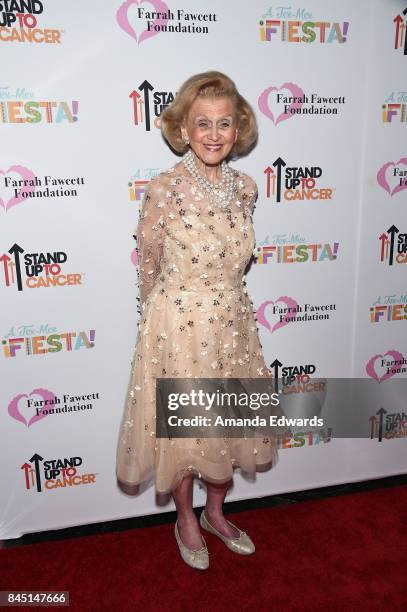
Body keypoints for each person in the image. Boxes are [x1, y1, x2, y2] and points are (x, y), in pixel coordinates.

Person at [116, 70, 279, 570]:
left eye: (223, 123)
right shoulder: (165, 189)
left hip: (232, 321)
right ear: (183, 130)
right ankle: (185, 518)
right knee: (187, 430)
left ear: (238, 129)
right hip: (178, 328)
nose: (213, 134)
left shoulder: (247, 187)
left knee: (227, 425)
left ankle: (215, 512)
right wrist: (159, 325)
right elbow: (148, 265)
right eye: (202, 123)